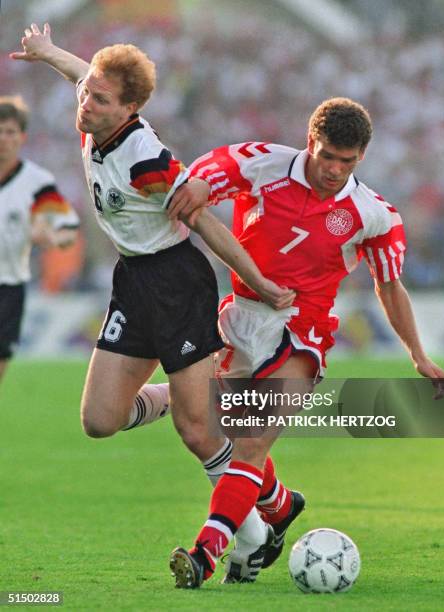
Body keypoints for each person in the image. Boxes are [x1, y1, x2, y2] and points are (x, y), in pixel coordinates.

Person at [10, 24, 300, 579]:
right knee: (99, 420)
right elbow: (80, 75)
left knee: (197, 431)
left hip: (177, 283)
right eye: (87, 93)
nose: (85, 105)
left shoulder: (147, 161)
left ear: (130, 108)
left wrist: (258, 282)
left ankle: (254, 538)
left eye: (99, 100)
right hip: (133, 280)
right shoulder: (96, 112)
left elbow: (207, 223)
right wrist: (49, 54)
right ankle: (255, 475)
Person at [166, 96, 444, 587]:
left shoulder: (374, 214)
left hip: (303, 332)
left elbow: (389, 285)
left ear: (362, 156)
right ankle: (280, 506)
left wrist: (419, 355)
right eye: (327, 157)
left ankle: (204, 554)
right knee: (214, 435)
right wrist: (194, 187)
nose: (335, 170)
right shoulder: (261, 163)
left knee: (252, 442)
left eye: (348, 161)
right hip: (237, 321)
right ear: (310, 143)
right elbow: (201, 177)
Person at [0, 95, 79, 384]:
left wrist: (52, 238)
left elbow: (68, 230)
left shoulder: (37, 182)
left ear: (22, 137)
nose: (3, 139)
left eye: (9, 132)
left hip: (8, 289)